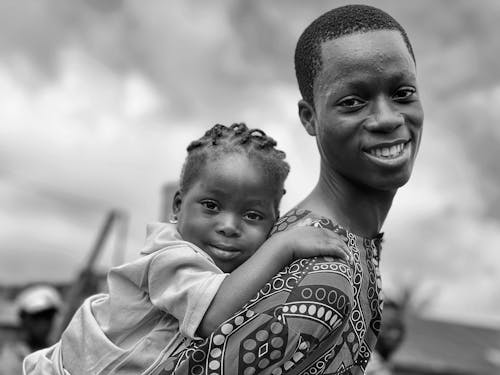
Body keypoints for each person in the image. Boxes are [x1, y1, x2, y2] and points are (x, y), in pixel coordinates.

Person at [160, 4, 423, 375]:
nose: (388, 118)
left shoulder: (342, 247)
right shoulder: (318, 270)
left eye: (403, 92)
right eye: (352, 101)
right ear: (309, 118)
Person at [23, 123, 351, 374]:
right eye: (211, 206)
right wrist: (284, 246)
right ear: (178, 206)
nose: (229, 225)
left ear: (271, 222)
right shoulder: (171, 257)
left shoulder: (232, 272)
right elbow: (212, 317)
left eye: (252, 215)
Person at [0, 285, 62, 375]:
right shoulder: (11, 358)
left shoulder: (58, 354)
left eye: (48, 316)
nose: (44, 323)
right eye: (38, 316)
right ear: (24, 319)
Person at [365, 288, 407, 375]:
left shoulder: (385, 366)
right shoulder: (364, 367)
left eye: (399, 328)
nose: (395, 335)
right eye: (388, 327)